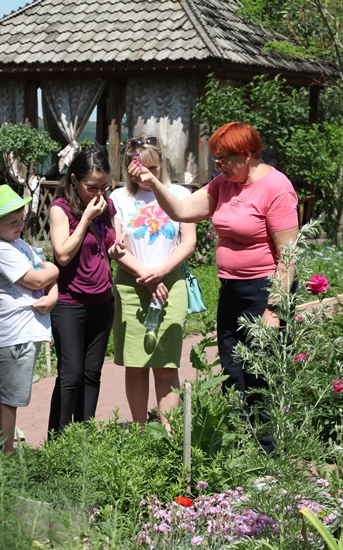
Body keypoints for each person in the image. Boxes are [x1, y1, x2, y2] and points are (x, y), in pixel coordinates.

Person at [126, 122, 299, 450]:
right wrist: (152, 181)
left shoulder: (276, 187)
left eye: (224, 160)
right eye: (216, 160)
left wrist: (274, 308)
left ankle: (268, 454)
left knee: (260, 375)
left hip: (264, 291)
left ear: (247, 155)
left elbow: (289, 255)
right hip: (231, 290)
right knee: (233, 372)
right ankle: (240, 449)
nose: (218, 167)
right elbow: (181, 211)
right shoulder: (224, 184)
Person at [109, 137, 196, 429]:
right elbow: (116, 246)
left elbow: (189, 242)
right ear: (128, 169)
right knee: (135, 365)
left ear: (162, 165)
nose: (146, 176)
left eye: (153, 169)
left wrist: (160, 272)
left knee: (165, 365)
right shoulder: (119, 198)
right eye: (139, 170)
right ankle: (140, 433)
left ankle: (170, 437)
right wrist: (145, 277)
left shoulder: (180, 194)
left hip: (171, 285)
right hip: (132, 286)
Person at [0, 185, 58, 452]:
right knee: (9, 399)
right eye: (12, 222)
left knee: (8, 398)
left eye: (22, 219)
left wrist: (53, 293)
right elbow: (38, 277)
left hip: (25, 330)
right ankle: (5, 457)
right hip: (15, 332)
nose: (20, 225)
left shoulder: (19, 244)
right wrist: (56, 269)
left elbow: (44, 276)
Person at [47, 147, 118, 436]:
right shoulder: (60, 209)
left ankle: (83, 439)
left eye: (105, 186)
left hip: (103, 301)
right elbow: (62, 255)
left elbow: (109, 244)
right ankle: (58, 442)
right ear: (75, 180)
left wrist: (116, 247)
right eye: (92, 187)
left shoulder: (106, 206)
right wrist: (87, 218)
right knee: (71, 374)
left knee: (92, 374)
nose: (99, 193)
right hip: (70, 303)